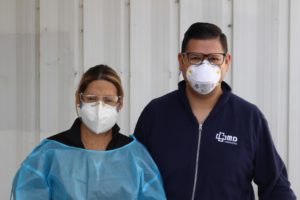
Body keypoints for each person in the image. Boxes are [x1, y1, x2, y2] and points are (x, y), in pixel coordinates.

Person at [134, 22, 296, 200]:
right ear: (181, 61)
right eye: (195, 58)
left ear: (226, 62)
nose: (205, 66)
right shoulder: (156, 114)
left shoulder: (248, 118)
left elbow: (275, 186)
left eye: (214, 59)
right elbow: (134, 178)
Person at [11, 65, 166, 200]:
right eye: (91, 98)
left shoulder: (136, 156)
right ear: (79, 100)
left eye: (108, 100)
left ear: (120, 104)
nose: (100, 107)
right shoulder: (49, 154)